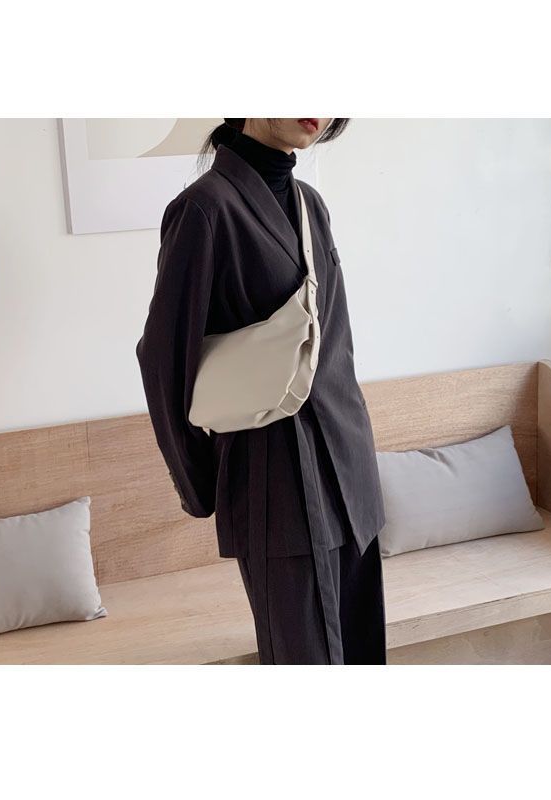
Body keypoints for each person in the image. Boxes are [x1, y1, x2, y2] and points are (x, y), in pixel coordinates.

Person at [136, 118, 387, 664]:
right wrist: (204, 482)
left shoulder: (311, 205)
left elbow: (336, 348)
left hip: (350, 475)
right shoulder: (204, 210)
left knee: (363, 656)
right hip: (276, 488)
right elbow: (163, 361)